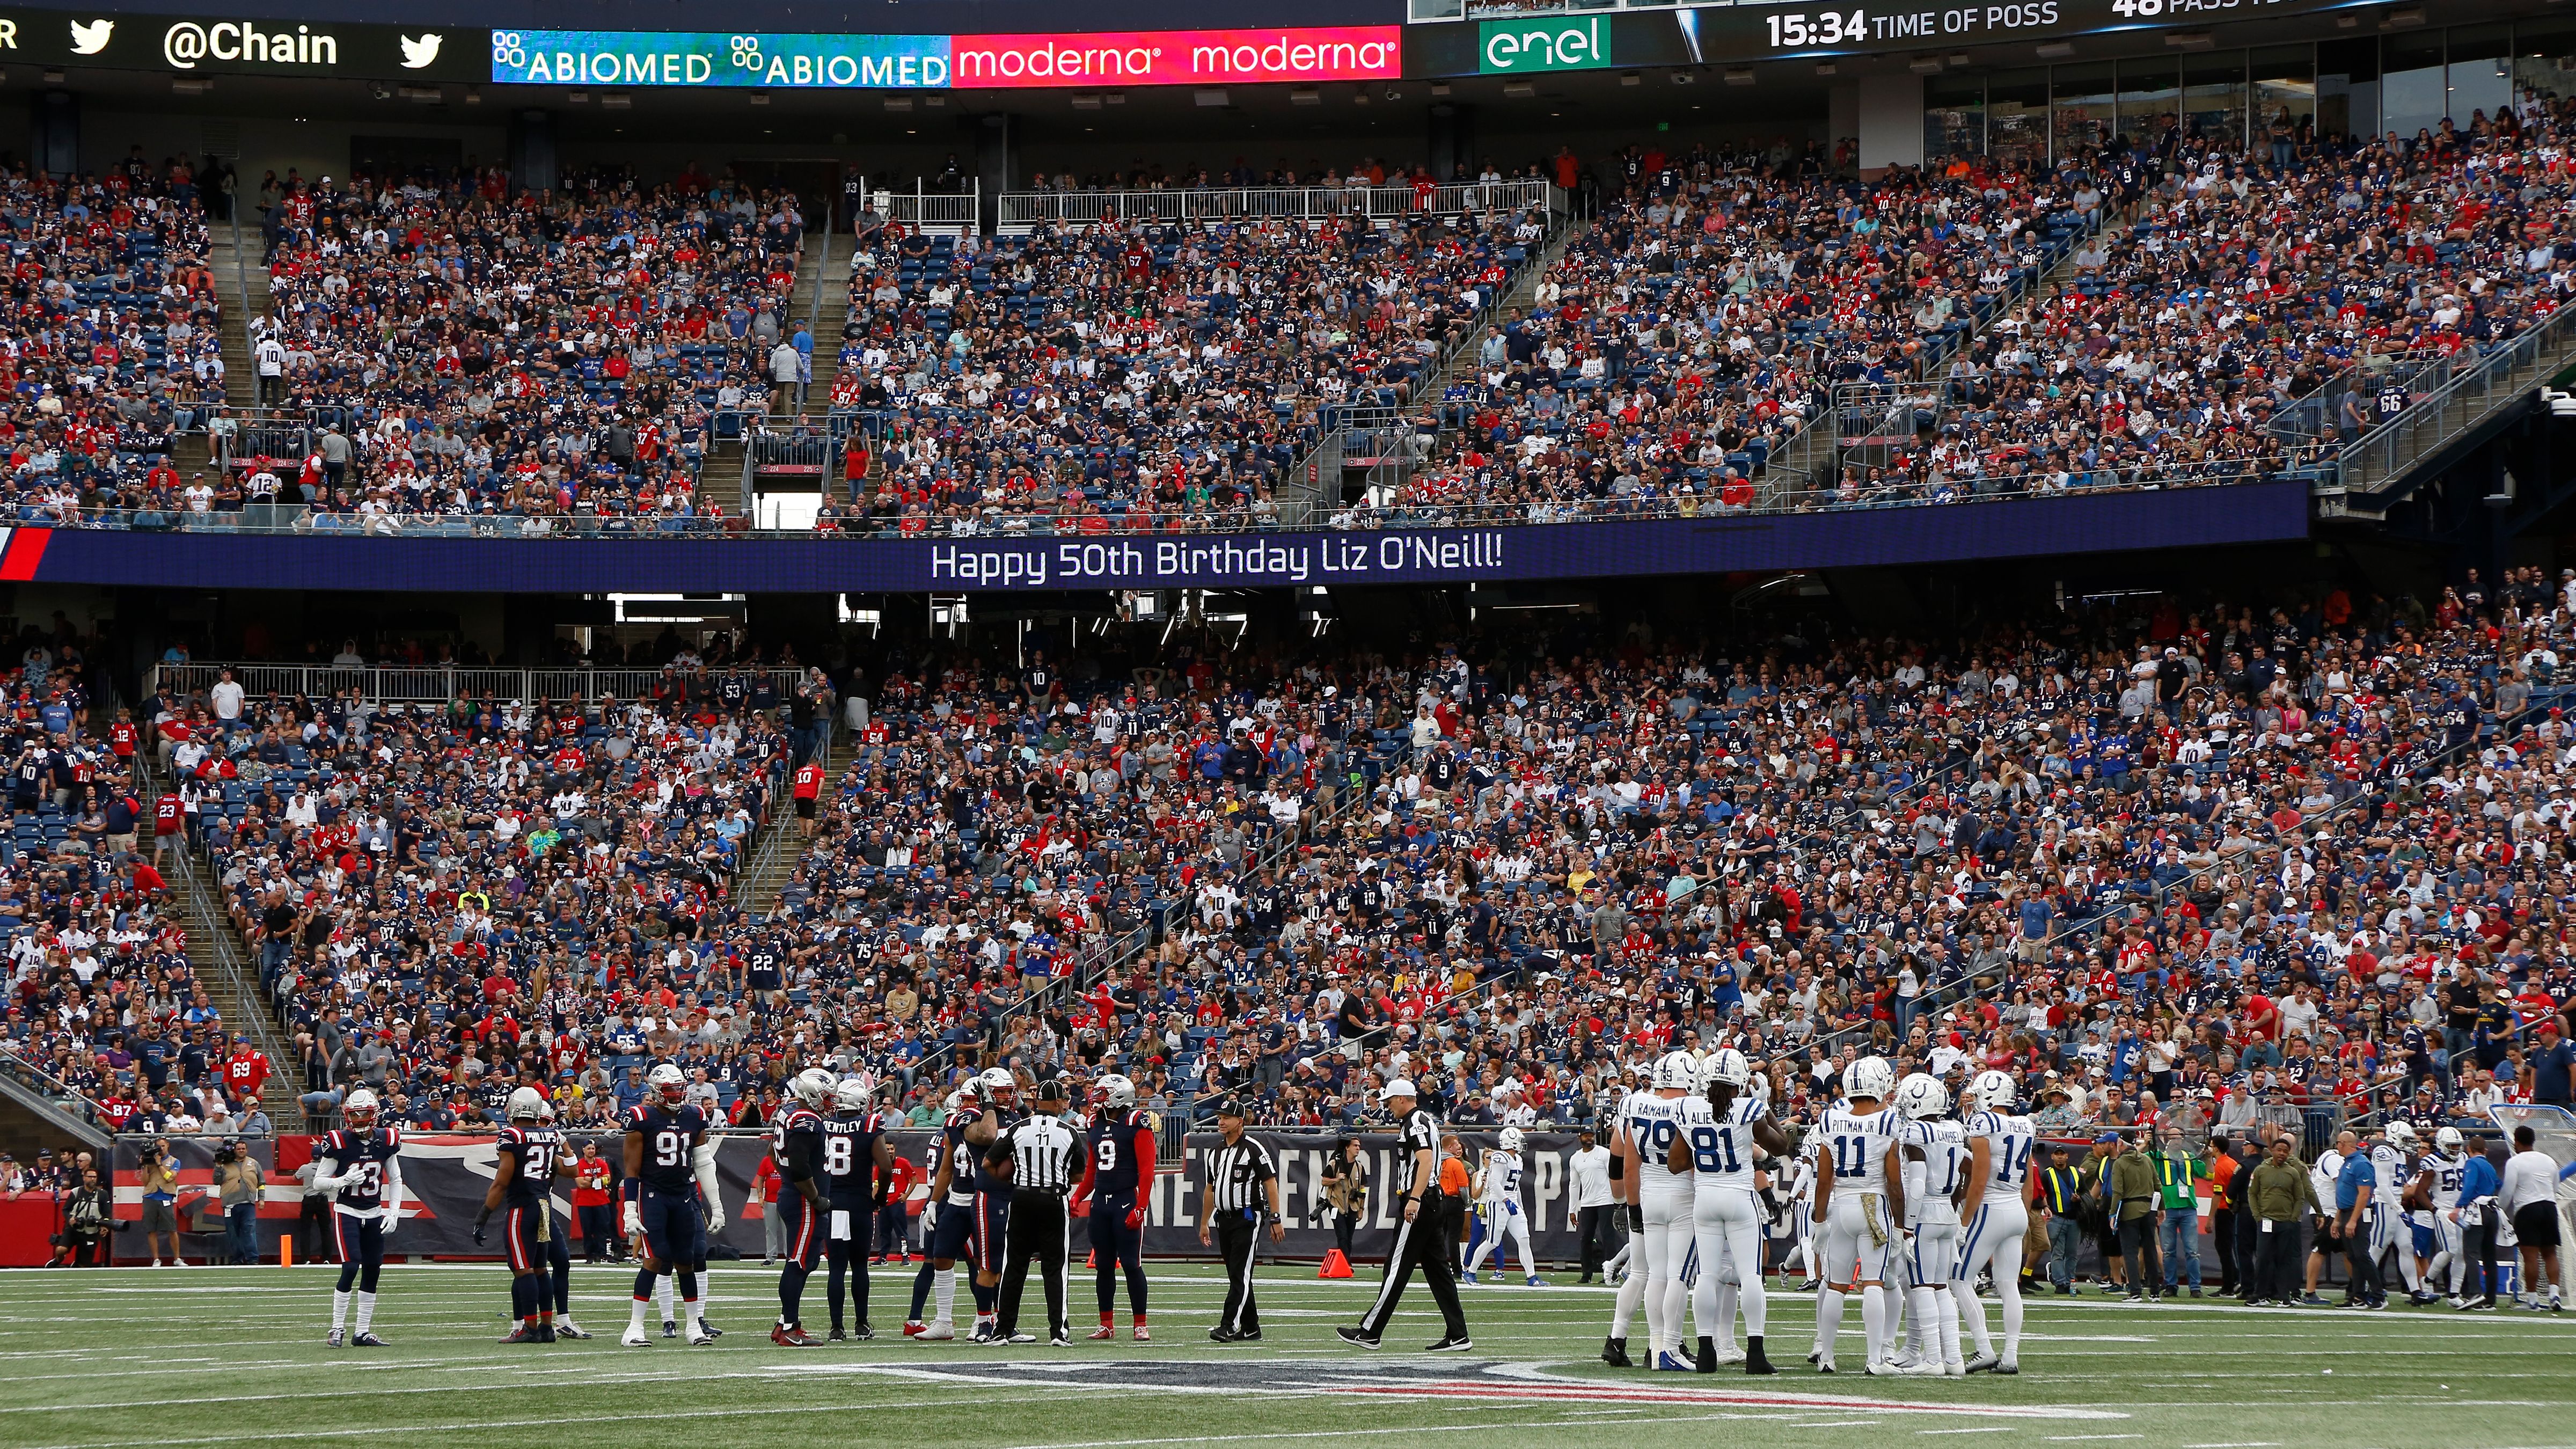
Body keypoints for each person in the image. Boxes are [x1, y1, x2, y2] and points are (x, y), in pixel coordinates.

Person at [1672, 1048, 1791, 1374]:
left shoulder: (1688, 1107)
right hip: (1739, 1195)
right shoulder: (1747, 1107)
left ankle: (1707, 1353)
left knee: (1707, 1275)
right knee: (1750, 1275)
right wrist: (1765, 1107)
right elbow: (1781, 1145)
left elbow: (1675, 1164)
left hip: (1705, 1197)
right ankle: (1755, 1353)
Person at [1338, 1080, 1470, 1351]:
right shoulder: (1419, 1121)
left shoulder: (1416, 1122)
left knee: (1396, 1268)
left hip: (1421, 1201)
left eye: (1389, 1100)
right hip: (1430, 1201)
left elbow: (1426, 1159)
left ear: (1402, 1098)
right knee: (1438, 1272)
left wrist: (1414, 1198)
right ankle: (1458, 1334)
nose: (1387, 1105)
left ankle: (1370, 1332)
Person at [1811, 1055, 1905, 1375]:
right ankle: (1875, 1359)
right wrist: (1902, 1223)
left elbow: (1824, 1180)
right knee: (1874, 1283)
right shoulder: (1887, 1121)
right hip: (1874, 1206)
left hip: (1842, 1205)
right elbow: (1894, 1181)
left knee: (1836, 1284)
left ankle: (1826, 1355)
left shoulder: (1830, 1120)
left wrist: (1819, 1220)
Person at [1605, 1051, 1695, 1370]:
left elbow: (1622, 1159)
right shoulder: (1690, 1106)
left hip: (1643, 1195)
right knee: (1677, 1276)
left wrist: (1626, 1203)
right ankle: (1667, 1345)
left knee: (1647, 1273)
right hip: (1681, 1195)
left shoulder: (1632, 1103)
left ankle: (1627, 1341)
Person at [623, 1062, 722, 1346]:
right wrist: (630, 1209)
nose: (678, 1095)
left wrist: (716, 1205)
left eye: (680, 1089)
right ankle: (634, 1328)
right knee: (654, 1259)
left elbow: (703, 1163)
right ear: (656, 1091)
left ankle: (693, 1326)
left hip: (684, 1195)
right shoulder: (641, 1117)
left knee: (686, 1261)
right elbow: (631, 1169)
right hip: (653, 1194)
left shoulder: (695, 1115)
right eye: (671, 1090)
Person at [1953, 1069, 2036, 1373]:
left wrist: (1964, 1221)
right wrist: (2024, 1214)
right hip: (2015, 1206)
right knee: (2008, 1285)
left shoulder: (1983, 1122)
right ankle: (2010, 1356)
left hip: (1991, 1207)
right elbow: (2027, 1179)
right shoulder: (2025, 1124)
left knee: (1958, 1278)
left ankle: (1985, 1349)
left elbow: (1979, 1180)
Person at [992, 1076, 1080, 1346]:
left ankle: (1003, 1329)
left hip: (1021, 1199)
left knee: (1014, 1266)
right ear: (1058, 1103)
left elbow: (988, 1162)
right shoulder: (1068, 1131)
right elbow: (1078, 1174)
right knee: (1055, 1268)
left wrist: (1014, 1179)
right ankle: (1058, 1332)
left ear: (1036, 1101)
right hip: (1053, 1200)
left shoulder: (1018, 1128)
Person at [311, 1088, 404, 1346]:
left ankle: (362, 1332)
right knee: (351, 1266)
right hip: (348, 1211)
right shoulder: (339, 1141)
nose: (360, 1119)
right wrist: (342, 1181)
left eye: (364, 1114)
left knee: (373, 1270)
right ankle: (336, 1329)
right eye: (355, 1114)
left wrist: (394, 1211)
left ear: (375, 1114)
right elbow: (318, 1181)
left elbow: (395, 1179)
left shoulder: (387, 1139)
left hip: (374, 1212)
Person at [1887, 1073, 1965, 1377]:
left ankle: (1933, 1358)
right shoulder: (1955, 1129)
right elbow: (1962, 1174)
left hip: (1925, 1215)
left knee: (1922, 1287)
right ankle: (1954, 1359)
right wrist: (1955, 1207)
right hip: (1947, 1211)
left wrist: (1907, 1226)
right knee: (1942, 1287)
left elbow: (1917, 1184)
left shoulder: (1917, 1131)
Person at [901, 1077, 989, 1341]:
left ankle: (985, 1318)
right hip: (952, 1201)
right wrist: (933, 1202)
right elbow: (946, 1169)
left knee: (981, 1263)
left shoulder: (985, 1129)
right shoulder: (952, 1129)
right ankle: (942, 1321)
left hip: (978, 1201)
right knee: (939, 1260)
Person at [477, 1085, 566, 1343]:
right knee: (540, 1269)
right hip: (543, 1205)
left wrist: (483, 1216)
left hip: (522, 1207)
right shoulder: (550, 1135)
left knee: (522, 1269)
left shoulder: (512, 1136)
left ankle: (529, 1328)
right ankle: (547, 1327)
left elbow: (501, 1182)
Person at [1070, 1072, 1154, 1340]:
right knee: (1104, 1265)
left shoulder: (1135, 1121)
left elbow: (1147, 1170)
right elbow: (1092, 1170)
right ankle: (1106, 1324)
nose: (1097, 1098)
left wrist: (1141, 1206)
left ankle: (1140, 1324)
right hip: (1100, 1204)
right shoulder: (1095, 1122)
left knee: (1131, 1264)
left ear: (1119, 1096)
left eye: (1103, 1093)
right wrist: (1078, 1196)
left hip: (1125, 1199)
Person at [1202, 1096, 1285, 1343]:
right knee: (1236, 1273)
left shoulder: (1253, 1148)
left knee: (1239, 1272)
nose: (1221, 1121)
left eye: (1226, 1118)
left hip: (1248, 1216)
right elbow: (1210, 1188)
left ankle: (1228, 1325)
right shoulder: (1215, 1152)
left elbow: (1271, 1183)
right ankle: (1251, 1327)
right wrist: (1204, 1222)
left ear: (1240, 1121)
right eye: (1219, 1117)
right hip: (1223, 1219)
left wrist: (1276, 1218)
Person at [821, 1078, 895, 1341]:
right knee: (860, 1266)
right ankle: (862, 1324)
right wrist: (882, 1196)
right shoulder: (869, 1124)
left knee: (837, 1268)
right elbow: (886, 1168)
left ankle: (836, 1328)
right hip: (860, 1203)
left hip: (833, 1204)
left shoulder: (823, 1124)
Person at [767, 1066, 836, 1345]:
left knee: (805, 1261)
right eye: (827, 1097)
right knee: (798, 1262)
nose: (831, 1103)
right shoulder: (806, 1120)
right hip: (803, 1199)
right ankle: (789, 1327)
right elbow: (798, 1166)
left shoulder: (789, 1110)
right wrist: (816, 1198)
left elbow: (772, 1153)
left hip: (792, 1194)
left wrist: (786, 1179)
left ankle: (785, 1323)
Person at [961, 1066, 1021, 1344]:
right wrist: (988, 1105)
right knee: (989, 1264)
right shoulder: (973, 1116)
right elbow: (986, 1136)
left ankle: (1005, 1322)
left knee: (1008, 1264)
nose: (1007, 1097)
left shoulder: (1013, 1114)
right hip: (990, 1196)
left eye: (1010, 1091)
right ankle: (984, 1323)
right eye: (1001, 1092)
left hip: (1015, 1195)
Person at [2242, 1134, 2319, 1306]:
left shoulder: (2293, 1171)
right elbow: (2252, 1193)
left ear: (2289, 1152)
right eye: (2279, 1150)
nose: (2282, 1154)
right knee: (2263, 1258)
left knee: (2285, 1259)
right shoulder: (2261, 1170)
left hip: (2286, 1222)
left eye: (2285, 1151)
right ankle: (2260, 1294)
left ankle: (2286, 1296)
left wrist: (2293, 1218)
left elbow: (2301, 1196)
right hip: (2266, 1221)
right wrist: (2258, 1216)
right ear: (2272, 1151)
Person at [2499, 1123, 2565, 1312]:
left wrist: (2500, 1210)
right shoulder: (2548, 1160)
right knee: (2550, 1253)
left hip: (2528, 1209)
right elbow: (2555, 1186)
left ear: (2516, 1142)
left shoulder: (2515, 1162)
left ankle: (2533, 1299)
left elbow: (2508, 1191)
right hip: (2549, 1207)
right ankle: (2554, 1295)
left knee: (2530, 1256)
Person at [1464, 1126, 1541, 1286]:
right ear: (1511, 1142)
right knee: (1492, 1241)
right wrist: (1506, 1200)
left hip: (1512, 1203)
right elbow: (1494, 1182)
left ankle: (1532, 1277)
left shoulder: (1517, 1159)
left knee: (1524, 1239)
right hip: (1498, 1203)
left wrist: (1519, 1206)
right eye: (1519, 1141)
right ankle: (1470, 1272)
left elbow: (1516, 1187)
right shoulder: (1500, 1157)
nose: (1521, 1144)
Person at [2332, 1128, 2387, 1309]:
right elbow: (2344, 1193)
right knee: (2354, 1256)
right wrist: (2338, 1218)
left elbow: (2364, 1195)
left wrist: (2354, 1220)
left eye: (2339, 1143)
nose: (2337, 1147)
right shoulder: (2347, 1163)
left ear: (2344, 1144)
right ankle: (2358, 1296)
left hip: (2358, 1214)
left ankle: (2378, 1295)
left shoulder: (2361, 1163)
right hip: (2347, 1212)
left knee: (2362, 1255)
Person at [2455, 1131, 2503, 1311]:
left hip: (2477, 1210)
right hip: (2492, 1209)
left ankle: (2475, 1293)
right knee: (2490, 1256)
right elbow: (2500, 1185)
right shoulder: (2489, 1166)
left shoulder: (2472, 1163)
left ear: (2469, 1149)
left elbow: (2470, 1186)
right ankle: (2491, 1298)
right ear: (2486, 1150)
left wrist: (2459, 1206)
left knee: (2471, 1253)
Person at [2154, 1127, 2205, 1297]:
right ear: (2166, 1139)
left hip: (2188, 1208)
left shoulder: (2190, 1157)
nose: (2176, 1140)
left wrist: (2209, 1156)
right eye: (2172, 1137)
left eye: (2179, 1137)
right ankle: (2170, 1285)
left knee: (2192, 1251)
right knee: (2169, 1251)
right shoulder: (2159, 1156)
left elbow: (2208, 1174)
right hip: (2168, 1209)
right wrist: (2147, 1143)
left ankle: (2195, 1288)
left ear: (2183, 1139)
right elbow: (2141, 1159)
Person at [1569, 1126, 1615, 1283]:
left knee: (1608, 1236)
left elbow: (1613, 1177)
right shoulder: (1575, 1158)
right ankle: (1586, 1273)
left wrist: (1618, 1200)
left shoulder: (1604, 1153)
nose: (1589, 1138)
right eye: (1586, 1136)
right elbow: (1574, 1185)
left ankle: (1611, 1273)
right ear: (1580, 1138)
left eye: (1591, 1136)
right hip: (1587, 1202)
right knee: (1586, 1237)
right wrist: (1572, 1209)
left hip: (1606, 1200)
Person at [2037, 1142, 2084, 1295]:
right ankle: (2060, 1282)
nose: (2060, 1157)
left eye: (2062, 1154)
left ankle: (2070, 1281)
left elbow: (2085, 1192)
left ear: (2067, 1156)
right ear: (2052, 1157)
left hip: (2074, 1218)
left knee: (2072, 1253)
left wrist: (2080, 1199)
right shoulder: (2048, 1174)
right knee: (2058, 1252)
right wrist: (2046, 1210)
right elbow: (2043, 1194)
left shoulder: (2076, 1172)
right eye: (2057, 1154)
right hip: (2057, 1217)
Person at [1322, 1136, 1371, 1270]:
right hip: (1336, 1204)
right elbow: (1324, 1181)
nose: (1358, 1149)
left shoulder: (1360, 1168)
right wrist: (1336, 1179)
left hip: (1352, 1206)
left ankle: (1345, 1262)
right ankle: (1346, 1264)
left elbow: (1362, 1189)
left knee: (1349, 1237)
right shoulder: (1334, 1164)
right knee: (1342, 1235)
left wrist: (1361, 1208)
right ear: (1347, 1148)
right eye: (1355, 1146)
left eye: (1359, 1146)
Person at [213, 1138, 263, 1265]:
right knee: (233, 1233)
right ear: (235, 1150)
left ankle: (253, 1258)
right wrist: (218, 1166)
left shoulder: (254, 1163)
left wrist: (261, 1199)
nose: (241, 1151)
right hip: (230, 1203)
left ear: (247, 1150)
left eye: (243, 1149)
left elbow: (262, 1183)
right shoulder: (225, 1164)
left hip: (248, 1202)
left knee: (249, 1230)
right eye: (239, 1149)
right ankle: (237, 1258)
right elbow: (216, 1181)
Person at [137, 1137, 185, 1267]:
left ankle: (177, 1258)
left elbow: (170, 1178)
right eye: (158, 1147)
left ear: (168, 1145)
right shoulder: (150, 1161)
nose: (161, 1149)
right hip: (150, 1196)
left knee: (172, 1229)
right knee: (151, 1229)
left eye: (163, 1146)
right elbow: (145, 1182)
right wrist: (146, 1166)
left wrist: (159, 1164)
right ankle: (156, 1259)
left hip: (165, 1196)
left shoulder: (174, 1161)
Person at [58, 1167, 113, 1266]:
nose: (92, 1179)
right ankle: (57, 1261)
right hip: (74, 1228)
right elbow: (66, 1209)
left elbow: (107, 1213)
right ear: (84, 1178)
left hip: (91, 1230)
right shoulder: (76, 1192)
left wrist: (105, 1226)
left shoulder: (103, 1194)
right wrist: (69, 1219)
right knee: (61, 1250)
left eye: (95, 1177)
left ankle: (77, 1264)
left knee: (84, 1264)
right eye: (90, 1177)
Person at [573, 1140, 616, 1263]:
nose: (591, 1151)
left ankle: (604, 1254)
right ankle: (590, 1255)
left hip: (601, 1201)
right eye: (589, 1148)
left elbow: (608, 1179)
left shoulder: (601, 1163)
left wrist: (590, 1179)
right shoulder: (579, 1164)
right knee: (587, 1230)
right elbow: (581, 1184)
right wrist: (598, 1180)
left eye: (593, 1148)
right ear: (583, 1150)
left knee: (603, 1229)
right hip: (585, 1202)